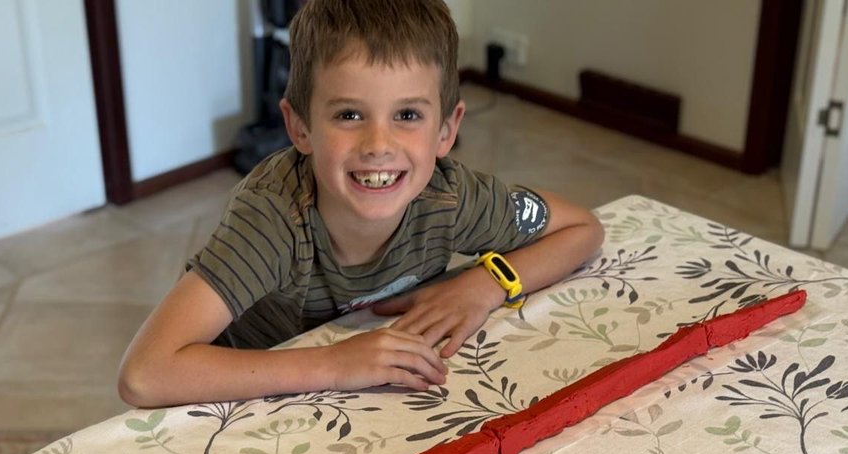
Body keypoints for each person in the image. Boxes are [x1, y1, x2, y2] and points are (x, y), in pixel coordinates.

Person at [117, 0, 603, 408]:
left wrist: (486, 284)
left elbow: (582, 230)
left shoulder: (450, 198)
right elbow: (145, 373)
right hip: (250, 402)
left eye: (407, 114)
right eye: (349, 114)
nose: (378, 144)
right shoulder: (273, 220)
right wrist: (335, 362)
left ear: (447, 131)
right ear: (300, 127)